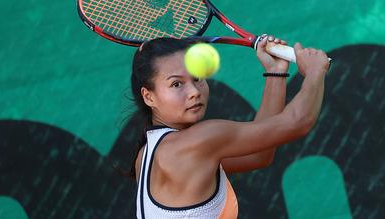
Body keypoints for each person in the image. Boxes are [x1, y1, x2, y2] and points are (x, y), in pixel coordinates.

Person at [130, 35, 329, 218]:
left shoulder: (146, 156)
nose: (193, 92)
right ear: (148, 96)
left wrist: (275, 72)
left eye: (197, 78)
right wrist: (315, 72)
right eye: (176, 84)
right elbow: (298, 121)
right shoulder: (199, 140)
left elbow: (259, 155)